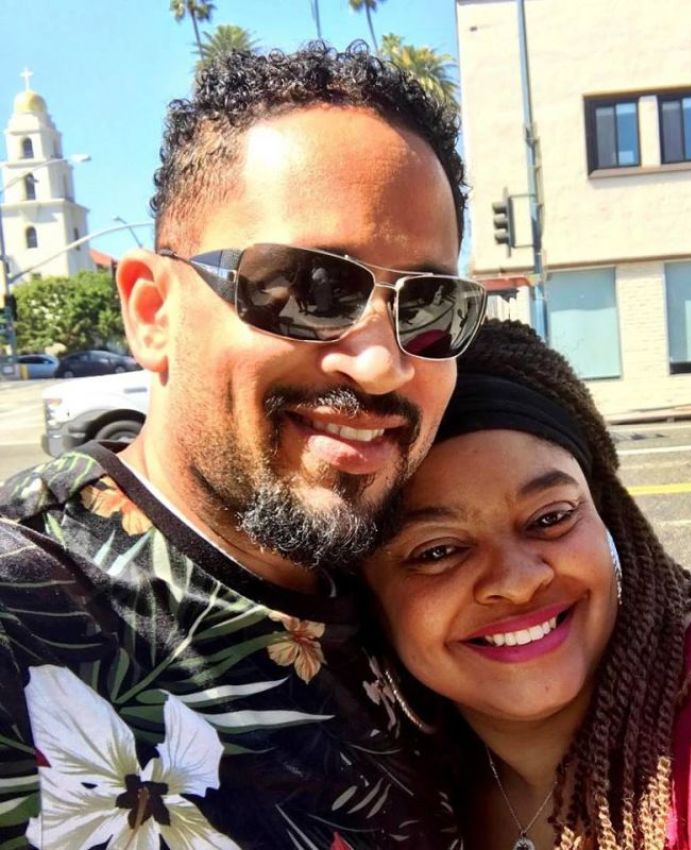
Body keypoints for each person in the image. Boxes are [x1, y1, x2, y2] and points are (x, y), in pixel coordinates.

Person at [0, 44, 486, 849]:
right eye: (308, 288)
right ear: (153, 313)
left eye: (430, 306)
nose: (379, 364)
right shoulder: (26, 615)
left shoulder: (429, 593)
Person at [364, 320, 691, 850]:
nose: (520, 582)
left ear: (607, 518)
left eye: (551, 518)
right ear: (367, 593)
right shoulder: (376, 789)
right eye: (438, 552)